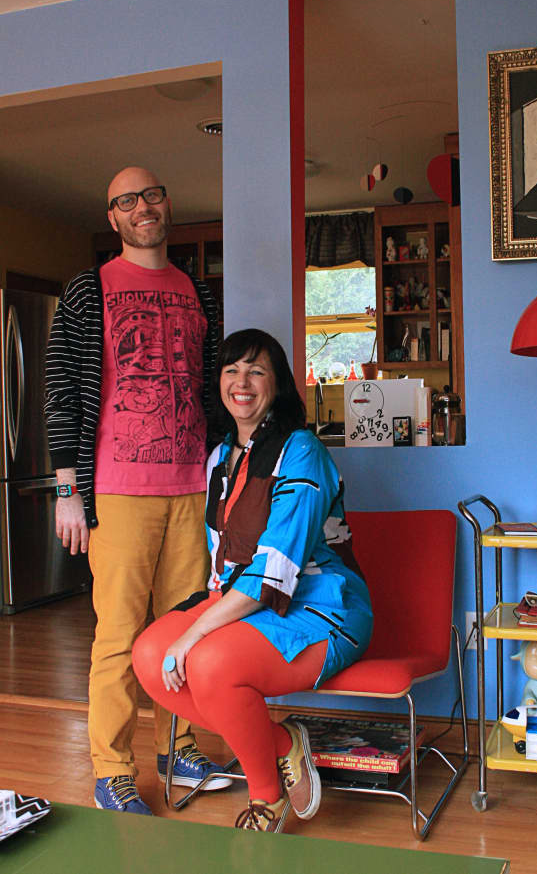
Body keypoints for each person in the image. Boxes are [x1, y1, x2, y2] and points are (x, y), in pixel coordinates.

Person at [132, 329, 373, 832]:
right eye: (231, 371)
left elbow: (275, 571)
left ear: (277, 385)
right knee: (150, 657)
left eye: (256, 371)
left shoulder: (301, 451)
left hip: (320, 608)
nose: (242, 382)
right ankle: (285, 743)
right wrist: (193, 625)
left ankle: (266, 796)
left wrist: (196, 631)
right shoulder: (221, 457)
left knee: (208, 661)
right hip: (242, 601)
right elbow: (223, 563)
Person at [44, 166, 226, 815]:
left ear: (166, 203)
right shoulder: (89, 291)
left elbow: (211, 391)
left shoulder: (198, 293)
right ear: (114, 216)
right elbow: (63, 388)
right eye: (127, 200)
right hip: (117, 490)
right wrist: (67, 487)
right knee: (119, 636)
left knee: (185, 632)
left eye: (151, 194)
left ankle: (175, 747)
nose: (142, 207)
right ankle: (112, 769)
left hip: (190, 488)